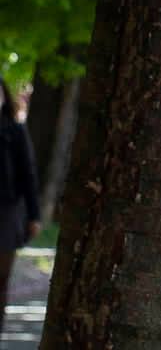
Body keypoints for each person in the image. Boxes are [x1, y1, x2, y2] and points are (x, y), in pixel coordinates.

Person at [0, 78, 40, 341]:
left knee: (0, 280)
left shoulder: (14, 130)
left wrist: (34, 215)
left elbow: (28, 173)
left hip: (6, 214)